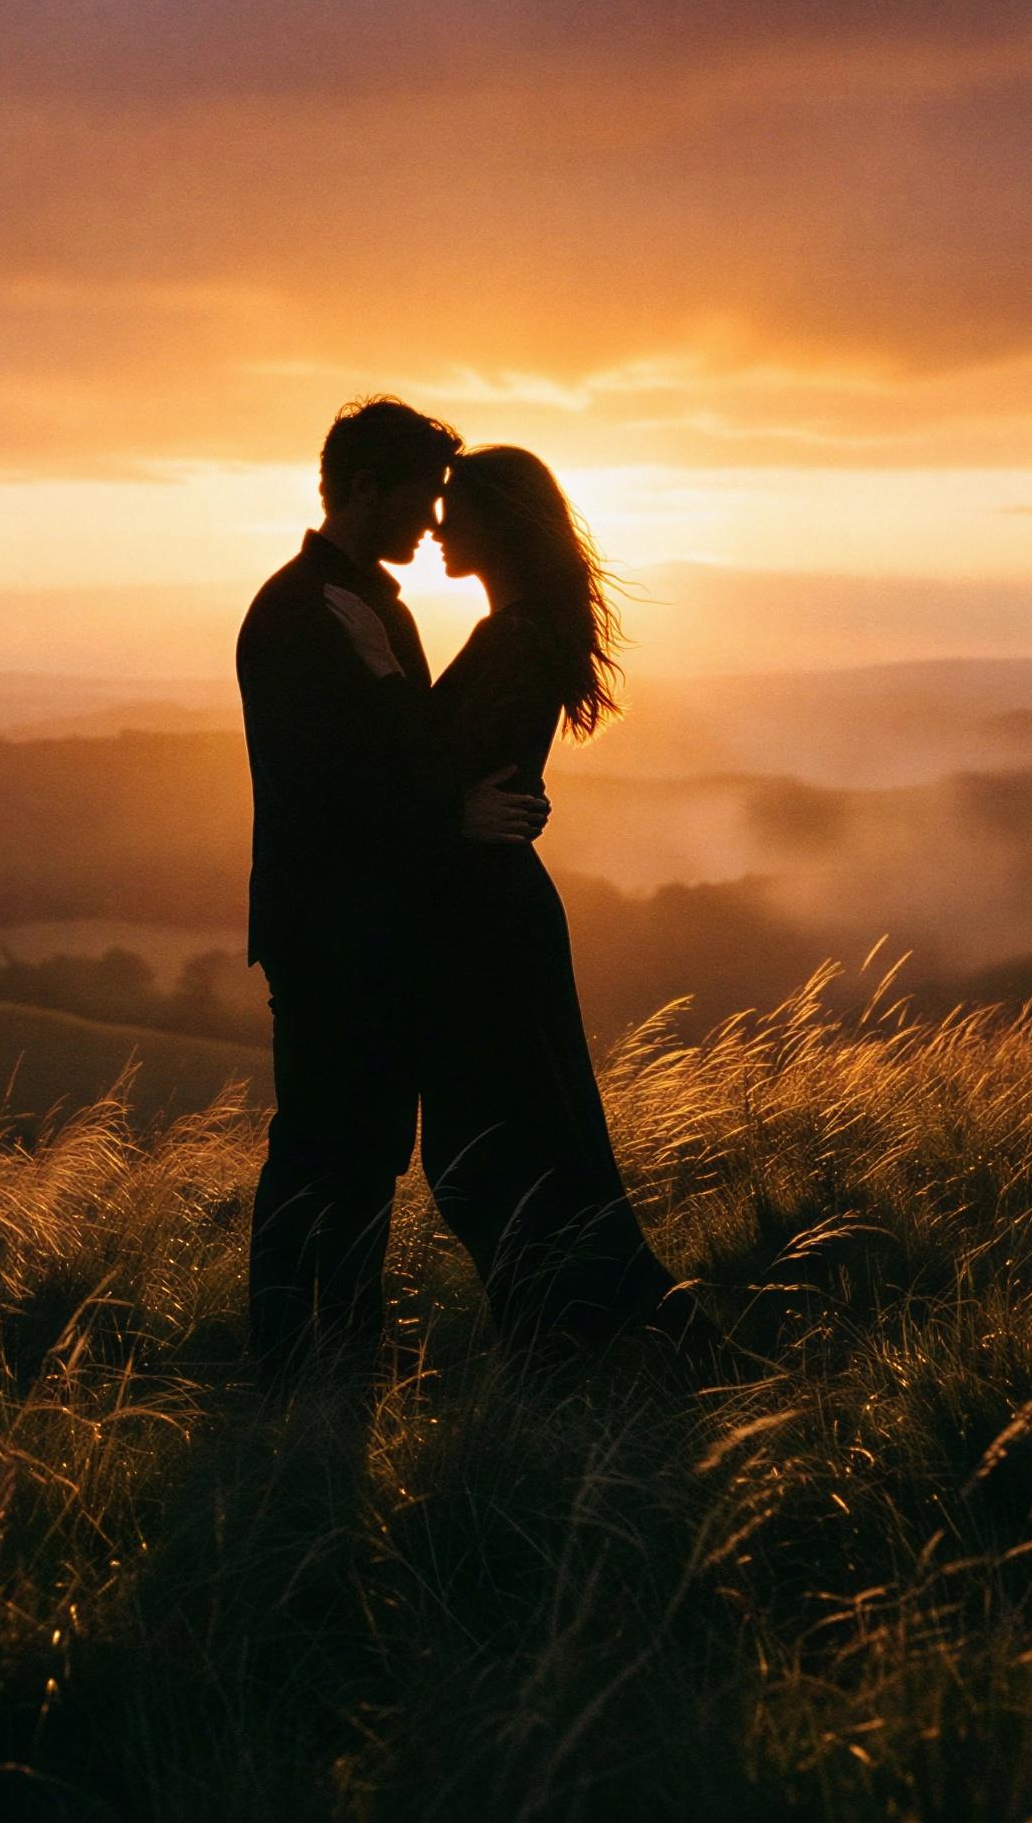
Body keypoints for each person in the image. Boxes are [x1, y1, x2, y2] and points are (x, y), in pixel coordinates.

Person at [326, 445, 705, 1356]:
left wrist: (375, 663)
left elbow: (443, 765)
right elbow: (458, 778)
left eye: (456, 508)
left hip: (488, 924)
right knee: (519, 1148)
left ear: (496, 523)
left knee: (494, 1156)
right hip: (487, 915)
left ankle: (593, 1348)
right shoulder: (519, 630)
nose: (439, 526)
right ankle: (594, 1345)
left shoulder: (517, 638)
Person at [235, 398, 549, 1389]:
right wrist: (454, 819)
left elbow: (400, 753)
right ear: (362, 487)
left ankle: (342, 1343)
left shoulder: (367, 603)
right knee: (323, 1143)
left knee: (364, 1148)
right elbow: (325, 782)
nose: (431, 520)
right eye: (420, 498)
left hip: (367, 930)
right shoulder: (300, 611)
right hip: (329, 934)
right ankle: (292, 1355)